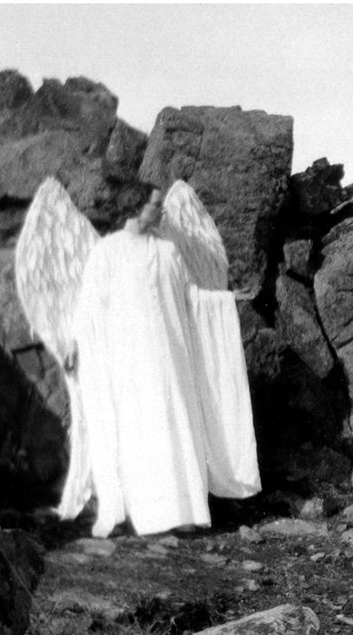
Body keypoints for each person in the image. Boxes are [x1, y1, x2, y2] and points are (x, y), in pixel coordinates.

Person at [66, 187, 260, 538]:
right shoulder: (108, 252)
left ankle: (185, 512)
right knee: (145, 430)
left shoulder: (169, 251)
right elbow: (89, 306)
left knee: (178, 423)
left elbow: (189, 298)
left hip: (173, 360)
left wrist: (227, 300)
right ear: (137, 207)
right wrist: (74, 342)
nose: (162, 212)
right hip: (133, 362)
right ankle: (152, 513)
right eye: (156, 206)